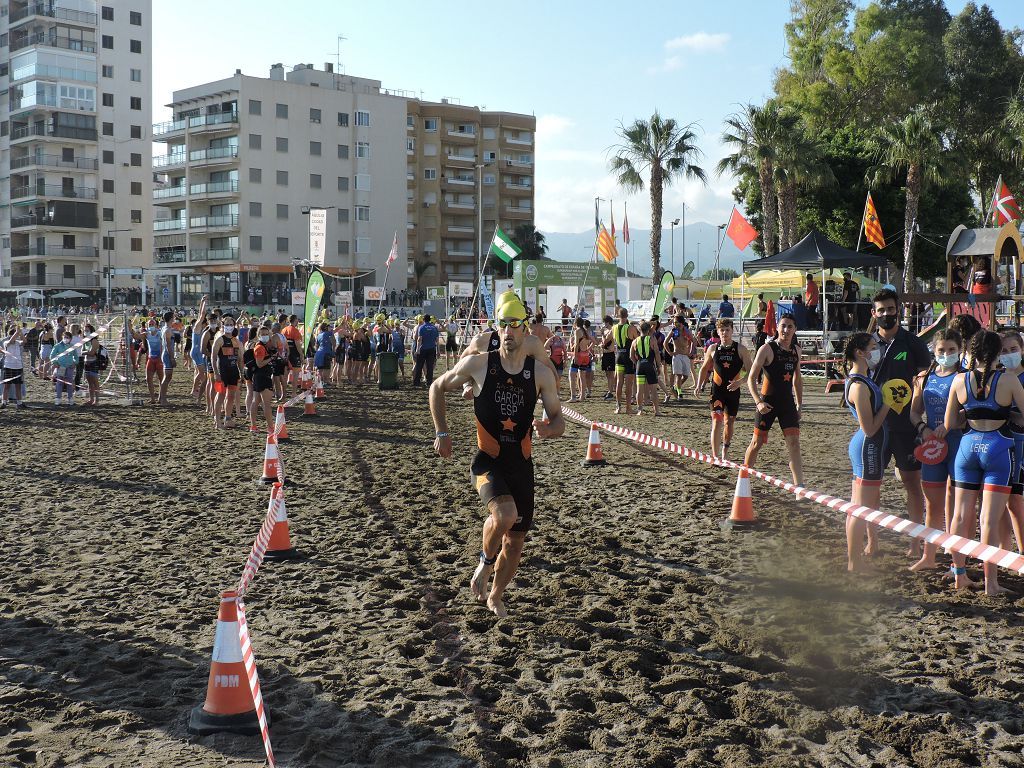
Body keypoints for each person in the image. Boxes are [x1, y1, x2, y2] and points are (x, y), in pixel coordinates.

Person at [429, 295, 565, 618]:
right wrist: (442, 432)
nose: (507, 332)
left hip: (522, 466)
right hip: (487, 461)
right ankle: (483, 564)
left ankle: (495, 596)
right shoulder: (479, 362)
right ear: (497, 327)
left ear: (524, 329)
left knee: (515, 544)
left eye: (514, 325)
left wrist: (549, 429)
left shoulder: (540, 371)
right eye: (503, 325)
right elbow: (437, 387)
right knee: (504, 515)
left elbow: (559, 418)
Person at [945, 331, 1024, 595]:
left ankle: (959, 575)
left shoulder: (959, 380)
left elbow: (950, 424)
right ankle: (991, 583)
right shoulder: (1009, 380)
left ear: (971, 351)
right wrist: (1008, 414)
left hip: (968, 448)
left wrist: (971, 412)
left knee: (959, 514)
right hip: (998, 448)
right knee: (988, 519)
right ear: (997, 353)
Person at [869, 289, 931, 557]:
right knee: (871, 487)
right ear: (874, 314)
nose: (886, 314)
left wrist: (919, 387)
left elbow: (927, 376)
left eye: (890, 309)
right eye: (880, 310)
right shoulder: (867, 343)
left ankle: (915, 543)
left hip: (906, 426)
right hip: (875, 427)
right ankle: (873, 541)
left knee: (912, 484)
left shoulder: (912, 343)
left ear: (899, 310)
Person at [908, 330, 964, 572]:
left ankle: (957, 562)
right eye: (942, 350)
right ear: (933, 349)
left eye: (951, 349)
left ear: (959, 349)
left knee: (960, 507)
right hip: (932, 445)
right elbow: (913, 412)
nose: (946, 354)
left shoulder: (966, 377)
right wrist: (923, 428)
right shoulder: (924, 377)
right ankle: (929, 556)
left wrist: (949, 423)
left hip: (959, 443)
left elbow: (973, 409)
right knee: (932, 506)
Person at [843, 333, 892, 572]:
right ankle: (854, 562)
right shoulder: (859, 386)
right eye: (873, 348)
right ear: (860, 353)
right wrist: (888, 406)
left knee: (867, 503)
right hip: (867, 447)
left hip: (869, 447)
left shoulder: (864, 379)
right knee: (859, 508)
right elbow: (870, 428)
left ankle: (868, 549)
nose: (877, 351)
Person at [743, 313, 803, 485]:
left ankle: (800, 487)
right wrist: (758, 402)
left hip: (787, 404)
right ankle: (744, 480)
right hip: (767, 403)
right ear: (777, 327)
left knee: (794, 444)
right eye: (783, 326)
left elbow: (797, 380)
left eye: (790, 326)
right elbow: (751, 378)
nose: (786, 330)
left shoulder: (796, 350)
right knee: (757, 442)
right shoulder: (767, 349)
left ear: (795, 329)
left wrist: (799, 405)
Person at [695, 318, 752, 460]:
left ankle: (725, 450)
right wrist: (698, 385)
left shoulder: (741, 349)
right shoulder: (713, 349)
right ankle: (714, 456)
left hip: (733, 392)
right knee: (716, 420)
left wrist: (740, 382)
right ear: (718, 332)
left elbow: (752, 372)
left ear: (732, 331)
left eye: (727, 330)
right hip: (717, 391)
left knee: (729, 422)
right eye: (722, 330)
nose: (725, 333)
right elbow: (704, 368)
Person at [210, 314, 242, 429]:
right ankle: (217, 421)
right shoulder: (219, 340)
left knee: (231, 396)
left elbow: (240, 359)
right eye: (227, 324)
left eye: (231, 324)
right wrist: (216, 373)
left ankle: (227, 418)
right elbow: (213, 358)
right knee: (220, 395)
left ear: (234, 326)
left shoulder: (237, 341)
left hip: (233, 373)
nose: (229, 326)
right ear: (223, 325)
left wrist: (242, 374)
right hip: (221, 373)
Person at [630, 321, 661, 416]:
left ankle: (640, 410)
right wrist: (658, 366)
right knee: (653, 389)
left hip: (640, 366)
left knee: (639, 389)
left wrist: (637, 363)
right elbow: (656, 353)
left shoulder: (635, 341)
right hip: (649, 365)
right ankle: (656, 411)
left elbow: (631, 356)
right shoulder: (651, 339)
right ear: (648, 330)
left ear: (639, 330)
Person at [613, 307, 639, 415]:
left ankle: (618, 407)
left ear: (618, 316)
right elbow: (637, 342)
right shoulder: (631, 328)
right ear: (627, 315)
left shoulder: (614, 328)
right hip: (628, 357)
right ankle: (628, 407)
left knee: (619, 382)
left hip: (619, 356)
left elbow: (614, 342)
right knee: (629, 384)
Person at [665, 315, 694, 402]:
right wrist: (670, 352)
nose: (675, 324)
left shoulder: (687, 331)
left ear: (681, 323)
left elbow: (693, 341)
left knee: (686, 376)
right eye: (674, 323)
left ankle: (675, 387)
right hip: (677, 355)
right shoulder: (673, 331)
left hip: (685, 355)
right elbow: (665, 343)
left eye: (676, 322)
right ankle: (680, 394)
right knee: (678, 375)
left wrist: (690, 352)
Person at [50, 329, 79, 406]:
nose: (66, 339)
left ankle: (70, 399)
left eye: (68, 337)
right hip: (61, 367)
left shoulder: (72, 346)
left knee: (69, 383)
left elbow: (76, 356)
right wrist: (55, 363)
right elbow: (52, 356)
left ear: (70, 339)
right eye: (65, 337)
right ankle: (58, 399)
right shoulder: (57, 346)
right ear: (62, 337)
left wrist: (75, 363)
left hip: (70, 367)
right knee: (59, 383)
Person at [568, 317, 593, 402]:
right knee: (582, 377)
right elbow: (594, 341)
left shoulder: (577, 331)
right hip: (585, 355)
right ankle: (582, 396)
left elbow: (576, 345)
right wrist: (588, 349)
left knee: (572, 375)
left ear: (575, 323)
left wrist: (575, 356)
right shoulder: (585, 331)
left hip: (579, 355)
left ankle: (573, 397)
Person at [412, 314, 440, 387]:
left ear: (423, 320)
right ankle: (429, 382)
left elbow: (419, 339)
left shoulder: (421, 327)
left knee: (419, 366)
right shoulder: (434, 328)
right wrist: (438, 351)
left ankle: (417, 382)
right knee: (430, 366)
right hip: (432, 349)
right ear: (430, 320)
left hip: (423, 349)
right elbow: (437, 341)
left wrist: (417, 350)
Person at [2, 325, 26, 408]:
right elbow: (11, 340)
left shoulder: (18, 343)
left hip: (18, 367)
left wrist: (20, 333)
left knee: (18, 386)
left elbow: (24, 341)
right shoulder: (6, 342)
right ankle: (4, 402)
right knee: (6, 386)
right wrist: (17, 332)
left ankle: (19, 403)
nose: (16, 337)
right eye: (15, 335)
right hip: (8, 366)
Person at [142, 319, 164, 404]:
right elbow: (137, 336)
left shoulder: (160, 333)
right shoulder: (146, 334)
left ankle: (160, 397)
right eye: (149, 324)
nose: (151, 326)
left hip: (159, 358)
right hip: (151, 358)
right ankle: (152, 398)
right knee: (148, 379)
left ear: (156, 325)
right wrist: (130, 330)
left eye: (152, 324)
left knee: (161, 379)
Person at [158, 310, 175, 405]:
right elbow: (169, 346)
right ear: (171, 318)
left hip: (165, 353)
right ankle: (163, 399)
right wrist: (172, 358)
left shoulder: (164, 328)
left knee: (167, 377)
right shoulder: (167, 330)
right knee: (167, 377)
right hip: (168, 354)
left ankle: (161, 397)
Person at [543, 327, 566, 392]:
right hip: (552, 360)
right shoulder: (551, 339)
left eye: (560, 331)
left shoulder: (561, 340)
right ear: (555, 332)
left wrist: (565, 361)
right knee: (552, 378)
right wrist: (549, 347)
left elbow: (565, 351)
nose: (560, 332)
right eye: (558, 331)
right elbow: (545, 347)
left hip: (560, 360)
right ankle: (551, 392)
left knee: (558, 378)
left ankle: (557, 393)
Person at [599, 316, 616, 400]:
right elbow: (602, 342)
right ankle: (610, 389)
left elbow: (605, 341)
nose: (604, 324)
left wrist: (602, 334)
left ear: (608, 322)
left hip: (610, 354)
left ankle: (610, 392)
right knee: (607, 374)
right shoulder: (605, 330)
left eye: (605, 322)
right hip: (605, 354)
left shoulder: (611, 330)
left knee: (610, 374)